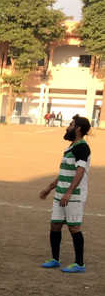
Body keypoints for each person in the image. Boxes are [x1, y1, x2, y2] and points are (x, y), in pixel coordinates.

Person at [39, 115, 91, 273]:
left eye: (71, 124)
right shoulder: (71, 147)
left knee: (74, 228)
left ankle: (79, 264)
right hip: (60, 194)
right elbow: (63, 173)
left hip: (73, 196)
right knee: (55, 225)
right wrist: (49, 188)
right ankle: (55, 259)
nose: (68, 127)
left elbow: (80, 172)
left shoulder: (82, 147)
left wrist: (69, 193)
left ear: (78, 128)